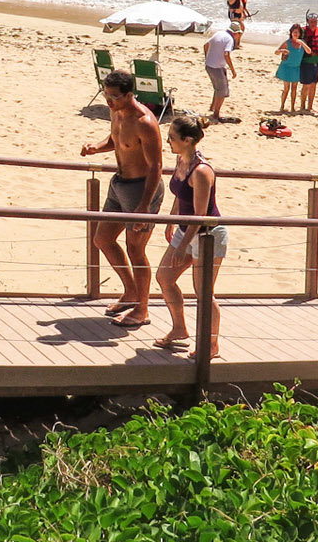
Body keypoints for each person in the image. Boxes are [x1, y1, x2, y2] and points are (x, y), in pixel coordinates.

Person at [80, 70, 163, 329]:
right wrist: (97, 146)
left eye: (114, 96)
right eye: (106, 95)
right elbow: (117, 141)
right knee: (102, 239)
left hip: (142, 190)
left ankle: (143, 309)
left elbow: (156, 167)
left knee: (136, 249)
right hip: (119, 185)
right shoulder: (115, 112)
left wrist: (144, 206)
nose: (109, 101)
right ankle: (130, 293)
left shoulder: (145, 122)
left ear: (129, 94)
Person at [153, 115, 225, 356]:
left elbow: (200, 214)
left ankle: (211, 344)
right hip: (185, 229)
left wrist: (183, 245)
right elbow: (180, 194)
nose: (168, 141)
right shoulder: (181, 159)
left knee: (204, 292)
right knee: (164, 277)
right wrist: (172, 221)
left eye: (172, 138)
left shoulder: (202, 171)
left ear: (187, 139)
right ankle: (179, 328)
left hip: (207, 234)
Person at [297, 12, 318, 113]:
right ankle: (302, 106)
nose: (313, 23)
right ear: (308, 22)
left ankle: (310, 107)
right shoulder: (302, 31)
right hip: (306, 61)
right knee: (306, 85)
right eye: (311, 21)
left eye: (315, 21)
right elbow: (294, 40)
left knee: (314, 85)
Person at [203, 24, 237, 120]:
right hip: (216, 67)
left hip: (209, 66)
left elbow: (205, 45)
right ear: (236, 33)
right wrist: (233, 70)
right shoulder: (230, 39)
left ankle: (212, 107)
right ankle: (216, 113)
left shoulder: (219, 33)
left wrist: (207, 58)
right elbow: (226, 54)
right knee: (222, 91)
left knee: (217, 88)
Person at [273, 23, 306, 113]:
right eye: (294, 32)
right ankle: (282, 106)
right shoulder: (287, 43)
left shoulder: (302, 43)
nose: (295, 34)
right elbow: (276, 52)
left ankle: (292, 107)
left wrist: (302, 43)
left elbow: (309, 51)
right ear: (291, 33)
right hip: (286, 67)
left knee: (294, 88)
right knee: (286, 89)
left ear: (300, 33)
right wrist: (282, 51)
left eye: (297, 32)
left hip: (296, 68)